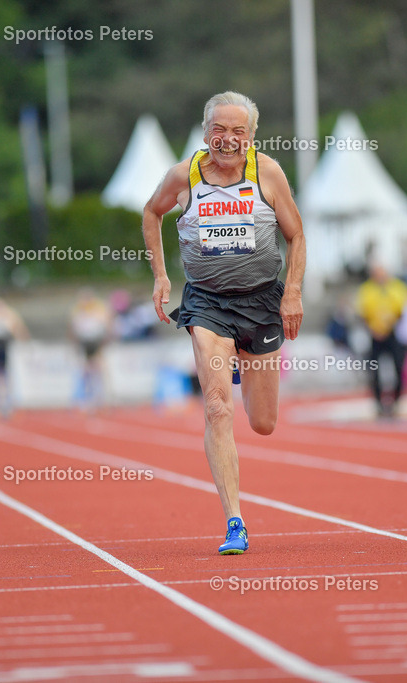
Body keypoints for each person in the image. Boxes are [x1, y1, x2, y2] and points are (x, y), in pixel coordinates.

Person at [142, 91, 305, 555]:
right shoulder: (184, 175)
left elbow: (296, 236)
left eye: (238, 132)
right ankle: (235, 521)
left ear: (252, 137)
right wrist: (160, 276)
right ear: (204, 130)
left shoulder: (267, 172)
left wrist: (292, 292)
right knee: (217, 407)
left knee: (264, 423)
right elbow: (152, 212)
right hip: (207, 303)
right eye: (219, 130)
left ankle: (240, 358)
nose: (227, 140)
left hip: (261, 301)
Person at [357, 263, 407, 417]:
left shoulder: (397, 287)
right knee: (374, 370)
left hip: (393, 334)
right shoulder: (367, 289)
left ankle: (397, 401)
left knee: (398, 368)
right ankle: (378, 403)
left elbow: (402, 310)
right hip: (374, 334)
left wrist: (389, 326)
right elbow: (363, 312)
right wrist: (373, 329)